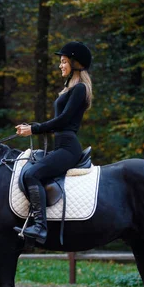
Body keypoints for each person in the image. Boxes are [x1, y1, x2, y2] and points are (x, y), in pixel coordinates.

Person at [14, 41, 93, 245]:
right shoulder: (70, 89)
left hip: (68, 147)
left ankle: (40, 227)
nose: (60, 65)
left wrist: (34, 128)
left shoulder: (80, 89)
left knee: (32, 174)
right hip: (60, 145)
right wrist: (35, 127)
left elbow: (64, 120)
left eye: (64, 61)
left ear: (75, 63)